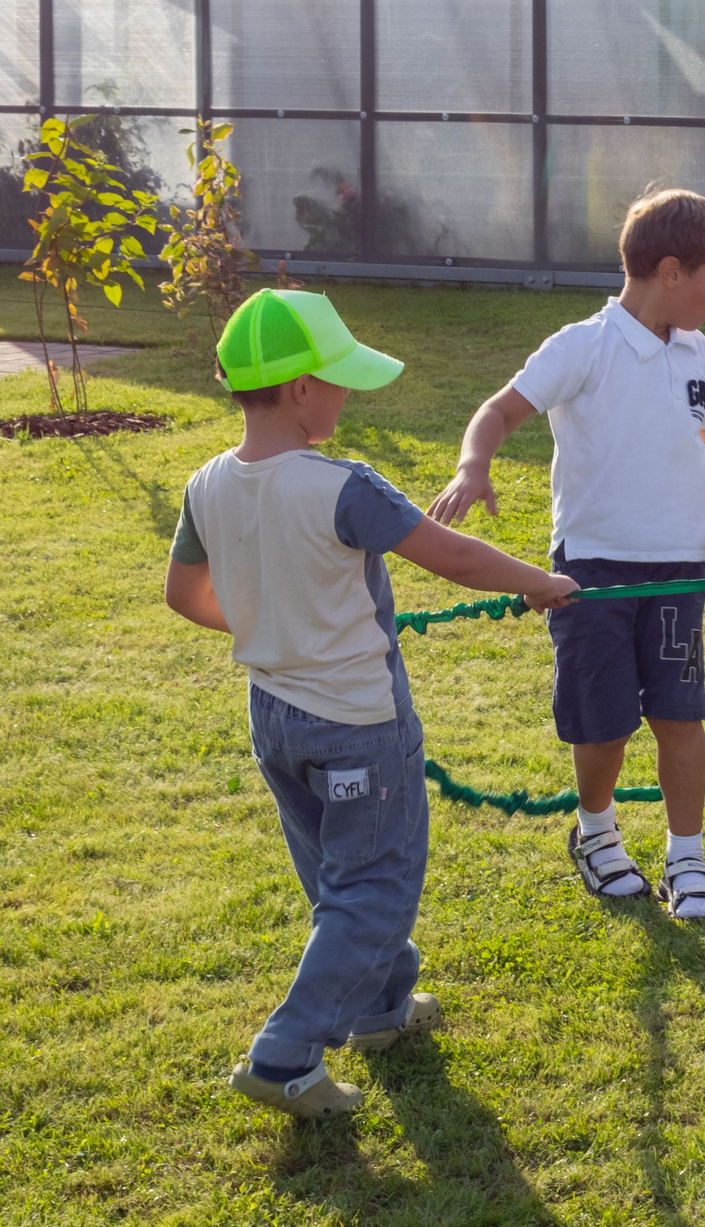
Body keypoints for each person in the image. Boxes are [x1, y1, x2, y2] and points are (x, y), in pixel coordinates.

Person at [167, 289, 578, 1118]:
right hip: (356, 724)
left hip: (274, 716)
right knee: (376, 884)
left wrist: (268, 625)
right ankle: (286, 1055)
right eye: (341, 381)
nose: (348, 397)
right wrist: (540, 583)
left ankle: (381, 1006)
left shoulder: (206, 483)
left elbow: (184, 594)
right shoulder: (340, 486)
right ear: (303, 390)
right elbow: (451, 556)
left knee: (337, 874)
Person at [427, 189, 705, 924]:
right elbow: (500, 410)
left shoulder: (697, 352)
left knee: (680, 714)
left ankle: (687, 854)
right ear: (672, 271)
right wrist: (471, 466)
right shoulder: (584, 346)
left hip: (679, 567)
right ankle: (598, 833)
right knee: (603, 722)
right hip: (593, 571)